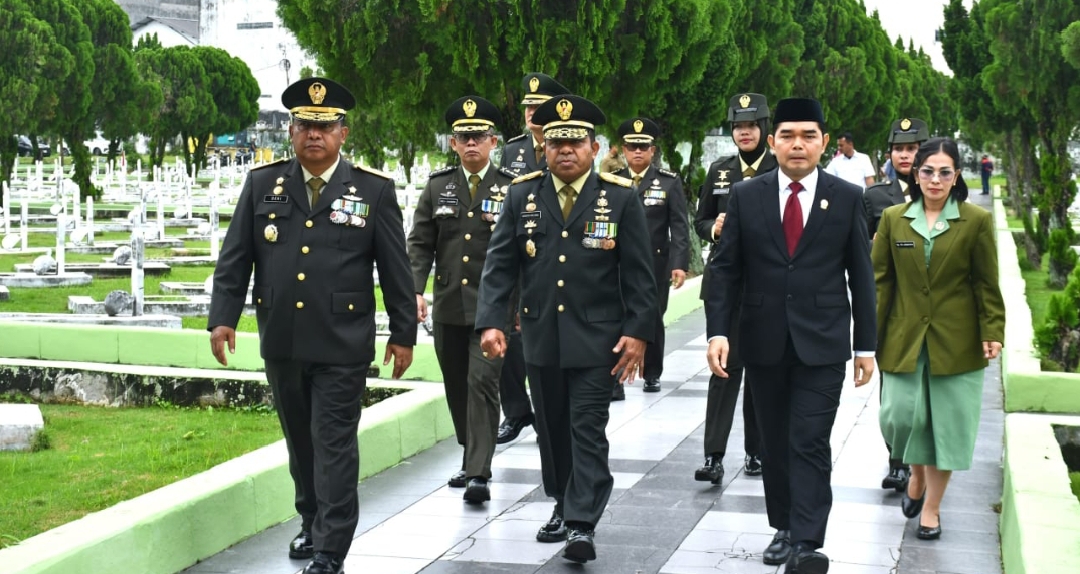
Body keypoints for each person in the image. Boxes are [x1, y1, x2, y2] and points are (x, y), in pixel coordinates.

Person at [207, 77, 417, 574]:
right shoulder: (263, 184)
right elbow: (235, 258)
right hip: (281, 337)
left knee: (333, 442)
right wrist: (223, 319)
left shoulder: (372, 189)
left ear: (343, 133)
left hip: (342, 343)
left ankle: (330, 549)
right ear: (292, 132)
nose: (313, 135)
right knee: (300, 442)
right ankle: (311, 518)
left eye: (324, 127)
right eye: (304, 126)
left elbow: (395, 269)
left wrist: (403, 333)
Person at [476, 95, 656, 564]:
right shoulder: (522, 195)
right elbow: (499, 267)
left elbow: (639, 275)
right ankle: (561, 500)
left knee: (587, 429)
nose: (565, 150)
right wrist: (492, 322)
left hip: (600, 342)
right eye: (556, 142)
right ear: (544, 148)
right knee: (553, 430)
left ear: (594, 148)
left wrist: (638, 333)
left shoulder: (619, 196)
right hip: (541, 338)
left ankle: (581, 523)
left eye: (575, 141)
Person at [705, 97, 876, 574]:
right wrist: (718, 331)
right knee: (774, 441)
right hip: (761, 340)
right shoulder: (747, 195)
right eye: (787, 135)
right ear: (773, 141)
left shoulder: (845, 199)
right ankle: (782, 524)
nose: (797, 145)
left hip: (822, 344)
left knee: (809, 439)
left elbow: (861, 276)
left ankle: (806, 540)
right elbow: (725, 271)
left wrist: (866, 346)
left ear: (824, 141)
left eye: (808, 136)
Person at [873, 137, 1004, 541]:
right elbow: (881, 281)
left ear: (956, 176)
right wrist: (866, 338)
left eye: (944, 172)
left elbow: (986, 282)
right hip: (904, 335)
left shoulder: (974, 221)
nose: (935, 179)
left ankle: (931, 509)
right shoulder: (895, 218)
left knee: (945, 427)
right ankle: (915, 477)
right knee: (900, 417)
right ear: (915, 173)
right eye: (928, 171)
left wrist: (992, 330)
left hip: (957, 340)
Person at [407, 96, 517, 502]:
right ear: (453, 144)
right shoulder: (439, 187)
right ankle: (471, 455)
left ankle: (478, 473)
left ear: (493, 142)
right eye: (463, 137)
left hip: (493, 308)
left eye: (479, 137)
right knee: (457, 386)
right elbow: (420, 243)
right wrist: (415, 290)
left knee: (482, 383)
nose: (471, 143)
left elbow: (524, 251)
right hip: (450, 306)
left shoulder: (511, 189)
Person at [694, 93, 776, 483]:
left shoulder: (780, 169)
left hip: (766, 284)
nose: (745, 132)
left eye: (752, 126)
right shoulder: (720, 170)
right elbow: (701, 219)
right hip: (725, 284)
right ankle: (713, 456)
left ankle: (756, 451)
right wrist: (714, 228)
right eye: (738, 126)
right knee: (722, 367)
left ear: (764, 129)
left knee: (760, 368)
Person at [494, 72, 571, 445]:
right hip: (520, 253)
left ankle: (546, 412)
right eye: (526, 106)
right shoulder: (514, 150)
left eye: (537, 107)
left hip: (555, 257)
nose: (530, 112)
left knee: (544, 343)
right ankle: (517, 411)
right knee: (506, 340)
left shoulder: (571, 145)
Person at [862, 117, 930, 494]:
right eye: (899, 149)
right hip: (890, 308)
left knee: (927, 390)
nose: (905, 155)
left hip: (933, 310)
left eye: (912, 148)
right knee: (893, 394)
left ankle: (921, 462)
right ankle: (897, 461)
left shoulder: (940, 193)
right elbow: (858, 251)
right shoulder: (874, 197)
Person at [612, 117, 689, 397]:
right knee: (614, 316)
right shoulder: (613, 182)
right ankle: (615, 376)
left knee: (652, 317)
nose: (637, 152)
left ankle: (652, 373)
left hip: (654, 264)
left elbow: (679, 225)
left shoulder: (668, 183)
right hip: (616, 263)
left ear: (653, 150)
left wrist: (679, 264)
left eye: (643, 147)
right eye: (632, 147)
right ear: (623, 149)